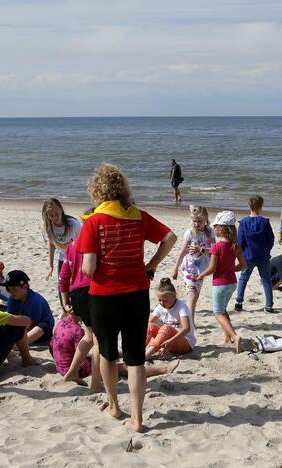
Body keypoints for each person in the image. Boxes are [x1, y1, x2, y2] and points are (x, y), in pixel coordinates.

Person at [78, 162, 176, 433]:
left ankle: (114, 406)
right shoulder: (139, 216)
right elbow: (169, 237)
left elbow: (87, 268)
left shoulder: (93, 222)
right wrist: (151, 266)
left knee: (107, 354)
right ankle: (137, 419)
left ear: (97, 192)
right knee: (136, 358)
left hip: (104, 295)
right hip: (136, 294)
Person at [51, 305, 173, 383]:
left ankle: (131, 354)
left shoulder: (60, 324)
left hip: (60, 367)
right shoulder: (77, 331)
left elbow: (51, 347)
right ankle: (162, 370)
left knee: (112, 354)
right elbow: (85, 355)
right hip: (75, 370)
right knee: (119, 367)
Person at [195, 211, 247, 353]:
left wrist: (201, 275)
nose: (214, 229)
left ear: (220, 229)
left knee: (217, 313)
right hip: (232, 283)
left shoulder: (216, 247)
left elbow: (211, 268)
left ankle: (235, 337)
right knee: (223, 310)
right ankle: (227, 337)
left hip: (220, 283)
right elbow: (243, 265)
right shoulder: (235, 246)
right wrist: (231, 269)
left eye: (216, 226)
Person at [59, 232, 102, 389]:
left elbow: (63, 276)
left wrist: (65, 302)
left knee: (89, 336)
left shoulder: (71, 245)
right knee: (99, 341)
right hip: (92, 291)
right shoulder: (95, 240)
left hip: (76, 294)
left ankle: (72, 372)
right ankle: (96, 385)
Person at [171, 205, 215, 319]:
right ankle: (189, 323)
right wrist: (175, 268)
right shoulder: (190, 232)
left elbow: (215, 250)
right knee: (192, 294)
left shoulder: (210, 232)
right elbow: (183, 251)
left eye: (199, 221)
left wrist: (202, 250)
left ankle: (188, 320)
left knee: (195, 296)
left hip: (202, 269)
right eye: (194, 221)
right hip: (189, 267)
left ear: (205, 219)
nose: (196, 224)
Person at [234, 195, 276, 313]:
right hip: (262, 256)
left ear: (249, 206)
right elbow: (270, 240)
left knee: (243, 279)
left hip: (248, 256)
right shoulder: (264, 222)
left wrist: (240, 254)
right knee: (266, 280)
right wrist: (266, 251)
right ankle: (269, 305)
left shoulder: (244, 222)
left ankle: (239, 302)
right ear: (261, 207)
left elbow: (240, 241)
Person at [42, 198, 82, 305]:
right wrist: (50, 266)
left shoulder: (73, 224)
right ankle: (65, 309)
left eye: (56, 213)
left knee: (76, 284)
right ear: (47, 216)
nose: (55, 217)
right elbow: (51, 245)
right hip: (63, 258)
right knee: (62, 284)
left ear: (61, 210)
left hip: (76, 258)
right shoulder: (48, 227)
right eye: (51, 215)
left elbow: (83, 243)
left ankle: (76, 307)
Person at [2, 270, 55, 347]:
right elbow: (11, 316)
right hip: (23, 327)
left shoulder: (34, 300)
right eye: (8, 289)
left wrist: (20, 334)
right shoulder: (13, 298)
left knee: (42, 326)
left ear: (25, 287)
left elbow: (32, 323)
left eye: (14, 289)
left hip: (41, 332)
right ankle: (17, 343)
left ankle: (19, 344)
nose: (11, 292)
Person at [145, 278, 196, 359]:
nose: (161, 303)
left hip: (185, 343)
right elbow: (150, 323)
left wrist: (170, 341)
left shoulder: (181, 306)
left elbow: (186, 328)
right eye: (159, 300)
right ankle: (137, 350)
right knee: (149, 326)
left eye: (165, 300)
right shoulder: (160, 306)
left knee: (166, 327)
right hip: (168, 341)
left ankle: (145, 356)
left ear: (174, 296)